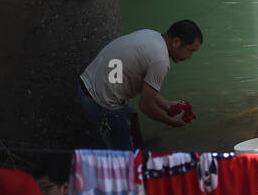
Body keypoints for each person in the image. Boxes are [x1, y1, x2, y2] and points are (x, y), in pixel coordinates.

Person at [78, 20, 203, 149]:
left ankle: (138, 148)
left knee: (130, 116)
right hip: (101, 103)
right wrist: (171, 121)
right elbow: (145, 106)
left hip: (87, 85)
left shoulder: (150, 34)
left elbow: (139, 79)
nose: (190, 57)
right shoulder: (161, 61)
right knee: (124, 156)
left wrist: (166, 104)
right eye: (190, 50)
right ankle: (131, 157)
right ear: (176, 42)